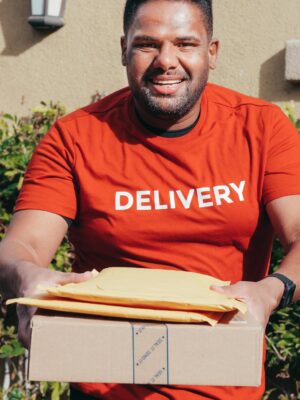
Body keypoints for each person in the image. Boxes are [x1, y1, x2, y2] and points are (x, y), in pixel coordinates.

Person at [0, 0, 299, 399]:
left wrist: (271, 290)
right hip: (103, 387)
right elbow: (23, 244)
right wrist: (26, 275)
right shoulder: (75, 138)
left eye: (185, 43)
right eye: (146, 45)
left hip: (222, 383)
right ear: (123, 48)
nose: (166, 60)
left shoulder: (262, 129)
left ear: (212, 53)